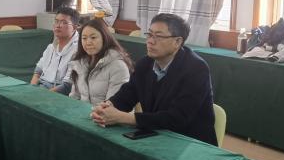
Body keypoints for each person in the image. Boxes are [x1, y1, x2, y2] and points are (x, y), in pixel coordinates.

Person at [91, 13, 217, 145]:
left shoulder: (196, 69)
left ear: (177, 42)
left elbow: (177, 118)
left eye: (158, 36)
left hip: (191, 142)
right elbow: (127, 95)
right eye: (149, 34)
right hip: (155, 134)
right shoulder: (145, 64)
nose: (150, 41)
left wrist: (123, 118)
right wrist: (107, 106)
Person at [65, 18, 132, 105]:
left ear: (104, 38)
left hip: (106, 113)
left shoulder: (118, 66)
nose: (88, 42)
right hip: (82, 112)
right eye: (84, 38)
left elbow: (112, 106)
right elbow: (74, 97)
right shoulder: (79, 63)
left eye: (93, 37)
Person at [30, 7, 80, 93]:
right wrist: (32, 89)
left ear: (74, 28)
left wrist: (41, 95)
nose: (58, 25)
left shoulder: (78, 49)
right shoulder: (51, 47)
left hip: (59, 93)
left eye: (64, 22)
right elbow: (37, 72)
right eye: (56, 21)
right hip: (41, 89)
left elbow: (67, 86)